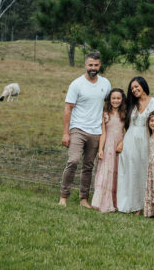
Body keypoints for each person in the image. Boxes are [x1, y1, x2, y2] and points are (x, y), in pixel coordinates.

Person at [58, 52, 111, 208]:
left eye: (96, 65)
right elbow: (68, 109)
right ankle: (63, 196)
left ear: (99, 66)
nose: (93, 68)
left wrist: (106, 116)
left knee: (88, 166)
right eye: (90, 65)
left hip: (96, 130)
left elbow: (108, 103)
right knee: (73, 161)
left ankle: (83, 199)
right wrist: (66, 133)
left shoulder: (105, 83)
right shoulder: (76, 84)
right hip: (78, 128)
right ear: (85, 65)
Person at [116, 76, 154, 214]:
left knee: (146, 171)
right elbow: (125, 125)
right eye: (132, 88)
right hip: (131, 140)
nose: (135, 90)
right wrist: (122, 141)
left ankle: (146, 205)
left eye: (137, 86)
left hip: (148, 139)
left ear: (143, 85)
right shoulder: (131, 104)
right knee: (131, 171)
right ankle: (132, 204)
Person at [91, 88, 127, 213]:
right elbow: (103, 133)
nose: (116, 100)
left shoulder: (124, 114)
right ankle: (103, 202)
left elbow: (127, 132)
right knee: (106, 172)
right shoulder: (105, 114)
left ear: (122, 100)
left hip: (119, 146)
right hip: (108, 146)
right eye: (113, 98)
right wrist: (100, 149)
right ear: (109, 99)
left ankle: (116, 202)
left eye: (118, 98)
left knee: (117, 173)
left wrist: (122, 143)